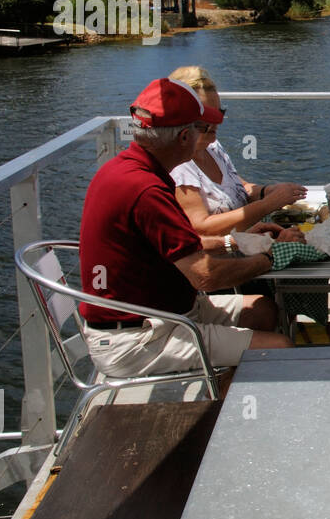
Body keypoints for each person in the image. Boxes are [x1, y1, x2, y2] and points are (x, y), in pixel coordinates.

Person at [78, 77, 292, 379]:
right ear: (182, 137)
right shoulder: (146, 190)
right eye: (200, 130)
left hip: (167, 312)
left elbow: (180, 246)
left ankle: (226, 395)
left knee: (263, 309)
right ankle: (230, 417)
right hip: (140, 337)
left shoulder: (128, 169)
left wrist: (237, 242)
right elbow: (205, 276)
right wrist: (273, 258)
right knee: (280, 347)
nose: (208, 138)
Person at [166, 66, 307, 240]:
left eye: (219, 113)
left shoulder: (212, 147)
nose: (217, 122)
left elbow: (239, 189)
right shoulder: (178, 165)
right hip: (222, 253)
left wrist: (267, 191)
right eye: (207, 116)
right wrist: (269, 204)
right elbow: (201, 228)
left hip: (246, 236)